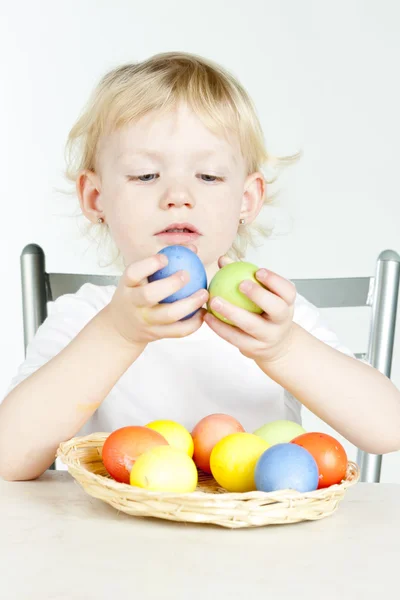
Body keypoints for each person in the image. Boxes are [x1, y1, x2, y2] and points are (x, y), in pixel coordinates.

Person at [1, 51, 400, 482]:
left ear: (247, 200)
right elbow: (8, 458)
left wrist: (283, 348)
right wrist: (117, 333)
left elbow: (387, 429)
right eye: (144, 175)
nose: (178, 195)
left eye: (208, 176)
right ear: (96, 198)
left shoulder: (270, 314)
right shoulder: (84, 316)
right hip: (116, 543)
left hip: (259, 540)